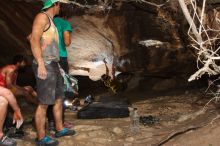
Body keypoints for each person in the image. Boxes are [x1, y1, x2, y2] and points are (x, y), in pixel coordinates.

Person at [29, 0, 76, 145]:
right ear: (54, 4)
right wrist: (41, 63)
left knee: (58, 99)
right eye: (59, 4)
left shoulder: (51, 21)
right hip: (45, 64)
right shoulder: (41, 17)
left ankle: (59, 128)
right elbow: (33, 39)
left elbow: (32, 37)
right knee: (44, 103)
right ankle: (42, 138)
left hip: (54, 64)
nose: (60, 7)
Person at [47, 5, 73, 131]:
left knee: (49, 91)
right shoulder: (64, 23)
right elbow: (67, 42)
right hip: (60, 58)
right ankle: (60, 122)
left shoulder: (46, 21)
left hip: (47, 59)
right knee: (61, 92)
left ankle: (51, 121)